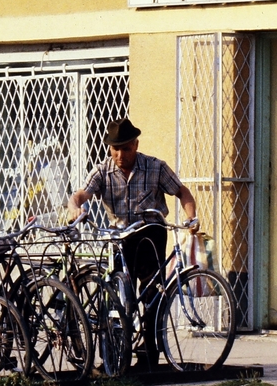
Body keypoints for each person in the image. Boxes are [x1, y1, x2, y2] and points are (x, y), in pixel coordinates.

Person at [68, 117, 198, 368]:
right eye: (115, 149)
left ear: (136, 145)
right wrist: (75, 206)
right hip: (120, 238)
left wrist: (192, 217)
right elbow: (82, 194)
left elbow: (182, 192)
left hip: (150, 234)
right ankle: (116, 352)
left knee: (152, 295)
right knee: (117, 296)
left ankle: (150, 353)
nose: (120, 154)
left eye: (126, 148)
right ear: (109, 148)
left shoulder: (155, 167)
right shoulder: (102, 171)